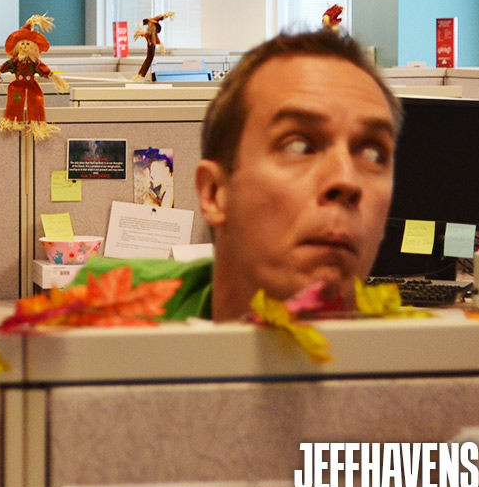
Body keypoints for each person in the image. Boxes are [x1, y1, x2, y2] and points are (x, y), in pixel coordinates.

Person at [74, 29, 403, 321]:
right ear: (215, 193)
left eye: (373, 153)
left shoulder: (419, 358)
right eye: (299, 146)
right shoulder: (96, 317)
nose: (347, 181)